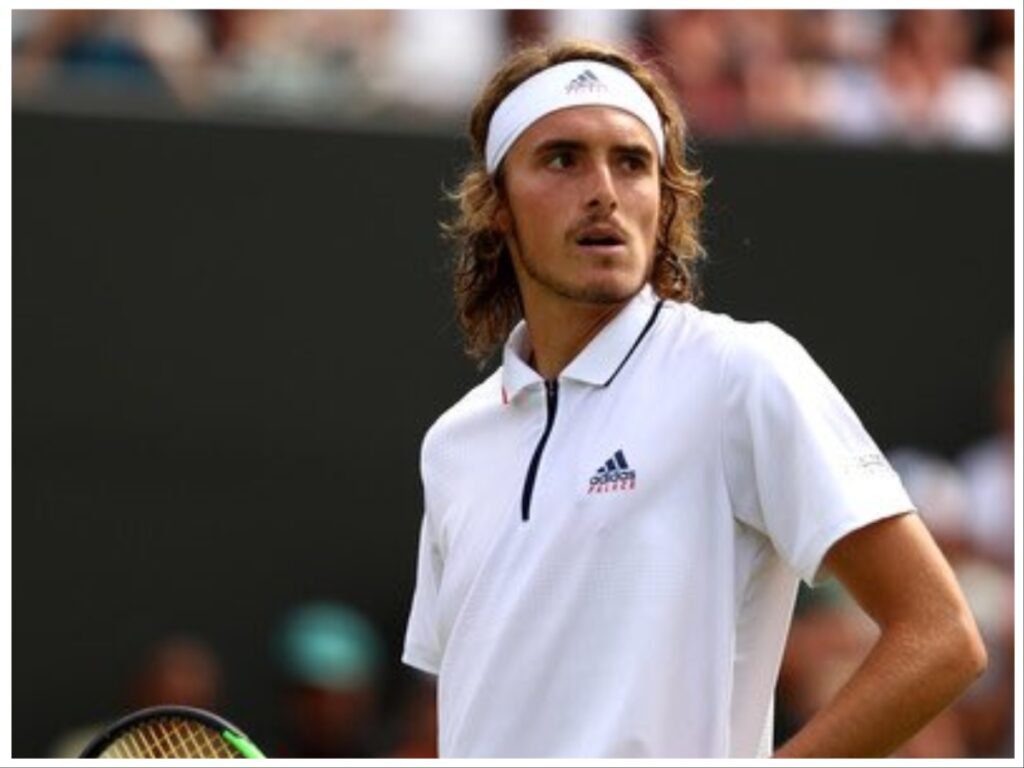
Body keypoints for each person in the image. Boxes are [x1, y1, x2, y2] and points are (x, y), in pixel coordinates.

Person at [402, 39, 986, 758]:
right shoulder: (453, 444)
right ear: (496, 205)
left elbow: (941, 636)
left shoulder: (740, 372)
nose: (604, 192)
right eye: (562, 159)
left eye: (632, 162)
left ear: (664, 197)